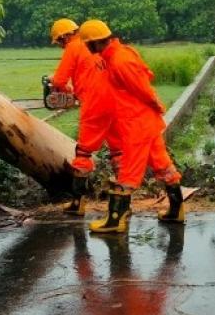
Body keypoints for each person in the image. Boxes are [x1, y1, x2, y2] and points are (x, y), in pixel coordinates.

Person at [78, 19, 185, 233]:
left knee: (128, 173)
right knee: (163, 166)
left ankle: (115, 220)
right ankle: (176, 210)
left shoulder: (119, 60)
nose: (88, 49)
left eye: (88, 44)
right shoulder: (113, 56)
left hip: (137, 123)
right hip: (143, 123)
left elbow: (143, 89)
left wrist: (156, 104)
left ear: (95, 43)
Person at [48, 18, 120, 215]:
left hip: (93, 104)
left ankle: (78, 203)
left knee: (83, 153)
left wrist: (60, 86)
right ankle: (123, 203)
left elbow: (61, 80)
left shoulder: (74, 47)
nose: (61, 46)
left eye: (60, 42)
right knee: (117, 152)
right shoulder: (97, 43)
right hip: (114, 101)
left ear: (65, 37)